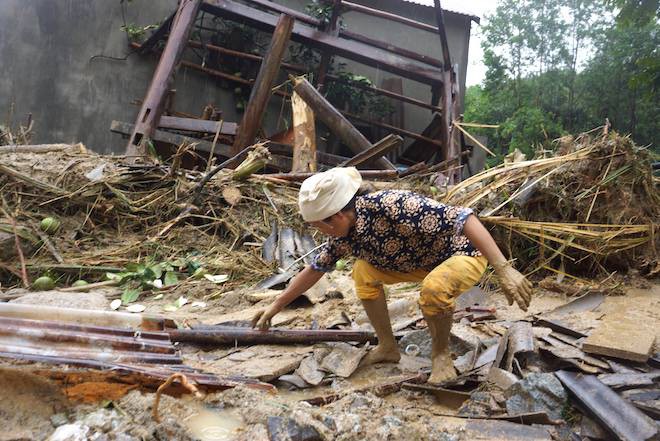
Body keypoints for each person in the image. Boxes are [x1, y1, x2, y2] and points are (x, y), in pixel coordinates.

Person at [252, 167, 532, 384]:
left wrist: (504, 269)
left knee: (434, 288)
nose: (319, 233)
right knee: (362, 271)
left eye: (319, 226)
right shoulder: (342, 236)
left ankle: (441, 355)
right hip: (415, 263)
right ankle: (388, 346)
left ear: (337, 216)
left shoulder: (393, 204)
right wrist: (277, 304)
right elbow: (315, 268)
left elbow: (465, 218)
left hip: (461, 254)